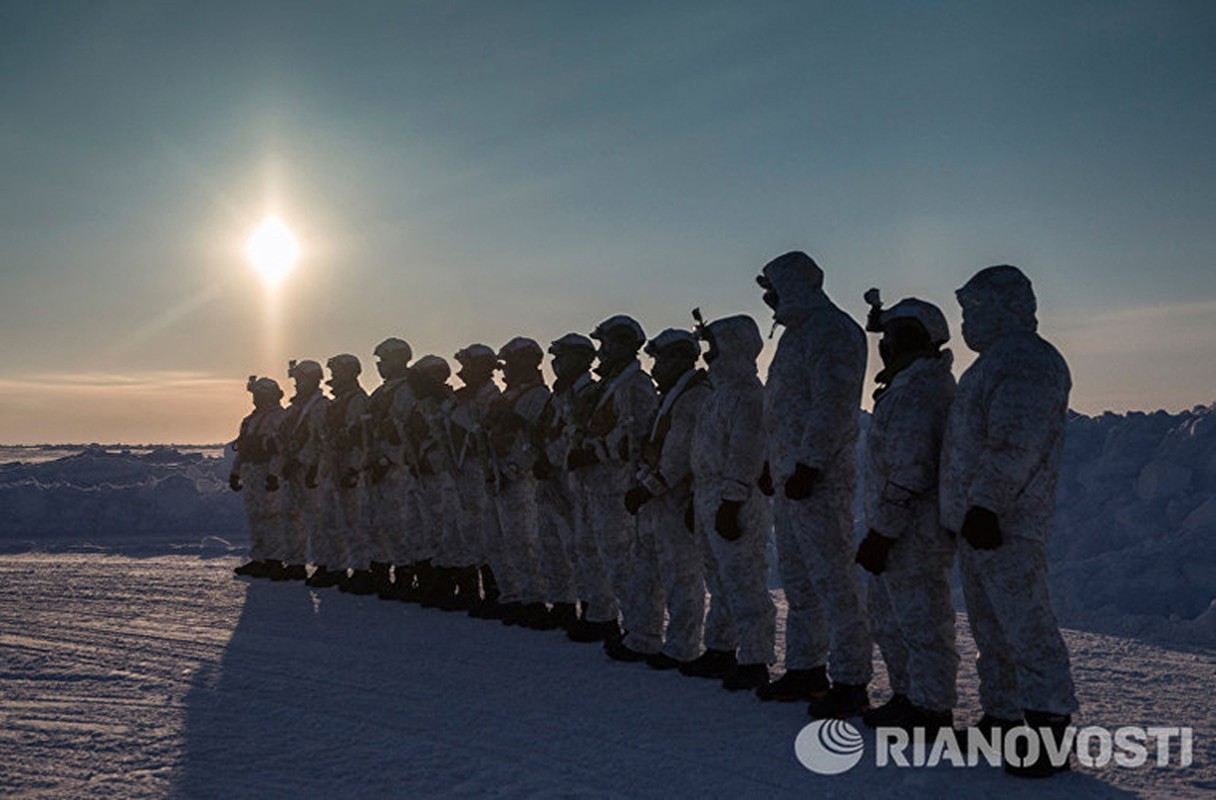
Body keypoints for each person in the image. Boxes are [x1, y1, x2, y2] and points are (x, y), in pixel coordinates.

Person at [939, 265, 1078, 778]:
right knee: (992, 630)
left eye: (972, 310)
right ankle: (1002, 717)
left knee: (1026, 626)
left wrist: (986, 505)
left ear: (1000, 306)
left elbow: (1016, 442)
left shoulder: (1025, 361)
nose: (966, 322)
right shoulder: (994, 362)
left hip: (1005, 521)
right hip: (980, 521)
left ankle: (1048, 729)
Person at [756, 250, 872, 716]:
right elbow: (782, 409)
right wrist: (771, 462)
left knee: (834, 581)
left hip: (817, 479)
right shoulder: (794, 337)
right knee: (800, 581)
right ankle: (806, 668)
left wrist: (810, 464)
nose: (769, 300)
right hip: (789, 477)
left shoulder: (833, 331)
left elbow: (833, 405)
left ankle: (850, 680)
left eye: (773, 290)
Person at [854, 292, 959, 733]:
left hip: (912, 532)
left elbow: (911, 471)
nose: (885, 345)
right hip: (898, 529)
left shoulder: (919, 392)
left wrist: (883, 532)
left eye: (893, 336)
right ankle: (908, 695)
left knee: (921, 621)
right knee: (891, 616)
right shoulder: (908, 385)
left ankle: (930, 708)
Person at [611, 328, 711, 669]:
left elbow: (677, 457)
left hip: (675, 499)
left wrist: (646, 488)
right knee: (647, 572)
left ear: (681, 359)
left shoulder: (693, 397)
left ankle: (682, 646)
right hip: (656, 501)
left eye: (662, 360)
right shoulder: (671, 395)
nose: (655, 367)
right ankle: (643, 637)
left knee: (681, 576)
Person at [688, 314, 776, 691]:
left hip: (735, 497)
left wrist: (732, 498)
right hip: (710, 494)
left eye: (715, 347)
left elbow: (746, 451)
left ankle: (755, 658)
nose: (709, 356)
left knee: (744, 581)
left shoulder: (748, 395)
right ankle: (721, 648)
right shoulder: (719, 393)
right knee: (719, 580)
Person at [566, 315, 658, 643]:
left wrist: (594, 453)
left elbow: (632, 438)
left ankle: (638, 629)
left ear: (626, 344)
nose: (603, 350)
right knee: (593, 553)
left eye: (608, 343)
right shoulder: (610, 384)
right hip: (596, 485)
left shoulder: (635, 385)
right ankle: (602, 617)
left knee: (623, 561)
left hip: (618, 484)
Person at [542, 333, 615, 640]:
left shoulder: (593, 393)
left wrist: (560, 457)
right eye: (555, 357)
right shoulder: (561, 394)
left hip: (591, 481)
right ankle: (583, 608)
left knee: (594, 550)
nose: (557, 363)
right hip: (564, 479)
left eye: (564, 357)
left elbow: (587, 437)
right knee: (574, 549)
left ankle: (602, 615)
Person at [485, 337, 551, 627]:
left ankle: (534, 600)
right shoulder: (510, 395)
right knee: (503, 541)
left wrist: (515, 468)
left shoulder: (537, 396)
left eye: (510, 363)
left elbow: (535, 440)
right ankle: (515, 595)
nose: (504, 370)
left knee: (524, 541)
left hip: (520, 476)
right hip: (500, 473)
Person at [360, 337, 422, 599]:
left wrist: (388, 460)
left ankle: (406, 576)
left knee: (402, 525)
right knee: (378, 523)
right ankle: (381, 573)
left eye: (384, 360)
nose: (380, 366)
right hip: (377, 469)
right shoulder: (381, 393)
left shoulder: (408, 391)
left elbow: (410, 434)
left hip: (398, 470)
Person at [449, 344, 504, 615]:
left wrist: (458, 408)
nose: (462, 370)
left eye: (468, 365)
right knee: (469, 532)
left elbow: (480, 430)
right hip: (465, 472)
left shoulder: (491, 396)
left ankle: (494, 592)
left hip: (482, 472)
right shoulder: (468, 396)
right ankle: (472, 589)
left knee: (488, 535)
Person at [408, 354, 462, 607]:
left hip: (445, 475)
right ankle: (432, 581)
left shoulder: (449, 402)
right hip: (423, 475)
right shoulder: (420, 405)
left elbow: (455, 440)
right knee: (428, 530)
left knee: (448, 531)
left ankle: (450, 586)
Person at [321, 354, 375, 595]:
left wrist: (356, 467)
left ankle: (363, 570)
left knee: (357, 522)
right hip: (337, 468)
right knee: (337, 521)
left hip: (353, 469)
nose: (333, 377)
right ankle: (340, 566)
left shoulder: (357, 401)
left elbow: (361, 439)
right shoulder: (339, 402)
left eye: (337, 372)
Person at [277, 359, 329, 582]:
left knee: (318, 520)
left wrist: (303, 461)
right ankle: (295, 562)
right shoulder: (295, 409)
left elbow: (322, 441)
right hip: (292, 470)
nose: (297, 384)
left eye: (300, 379)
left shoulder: (321, 407)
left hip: (311, 471)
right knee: (291, 517)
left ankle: (326, 564)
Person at [230, 376, 287, 578]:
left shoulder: (280, 418)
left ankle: (275, 560)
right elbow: (243, 448)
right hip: (251, 472)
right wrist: (236, 472)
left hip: (268, 472)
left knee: (272, 517)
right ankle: (259, 558)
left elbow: (279, 450)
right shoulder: (250, 420)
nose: (255, 399)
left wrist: (274, 474)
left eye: (259, 394)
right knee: (256, 517)